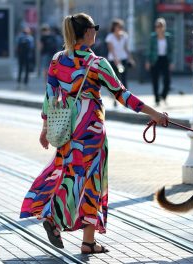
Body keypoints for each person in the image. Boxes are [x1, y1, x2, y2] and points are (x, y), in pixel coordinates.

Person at [19, 13, 168, 254]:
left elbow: (49, 96)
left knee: (70, 175)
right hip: (92, 132)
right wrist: (155, 114)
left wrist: (45, 128)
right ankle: (55, 219)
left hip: (67, 130)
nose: (96, 31)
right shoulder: (97, 63)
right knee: (92, 182)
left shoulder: (57, 60)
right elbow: (123, 95)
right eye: (94, 28)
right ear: (87, 32)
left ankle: (87, 241)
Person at [145, 18, 174, 106]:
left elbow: (171, 50)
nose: (159, 28)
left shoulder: (168, 37)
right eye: (157, 26)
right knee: (155, 80)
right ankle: (157, 99)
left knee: (167, 80)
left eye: (161, 26)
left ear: (164, 27)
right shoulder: (152, 37)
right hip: (155, 60)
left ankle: (163, 96)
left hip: (165, 59)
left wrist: (172, 62)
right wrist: (147, 61)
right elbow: (149, 50)